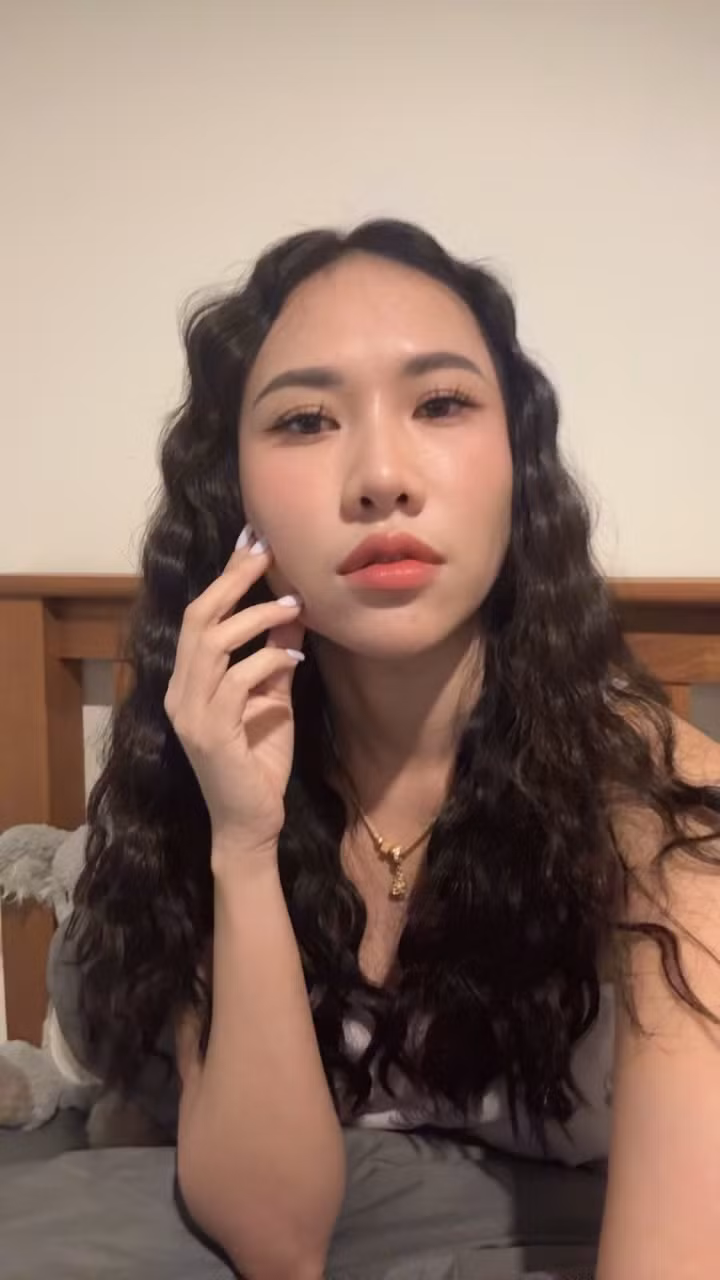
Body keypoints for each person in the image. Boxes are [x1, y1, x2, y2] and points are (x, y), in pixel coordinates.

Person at [59, 218, 720, 1279]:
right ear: (235, 495)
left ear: (519, 464)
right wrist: (241, 839)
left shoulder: (660, 801)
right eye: (306, 419)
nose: (380, 475)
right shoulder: (199, 762)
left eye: (442, 403)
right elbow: (277, 1240)